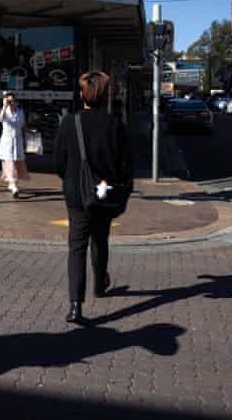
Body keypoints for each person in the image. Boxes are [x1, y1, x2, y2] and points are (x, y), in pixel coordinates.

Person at [54, 71, 133, 324]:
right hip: (104, 190)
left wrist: (70, 178)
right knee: (101, 239)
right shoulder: (115, 124)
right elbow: (125, 165)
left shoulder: (69, 123)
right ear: (104, 95)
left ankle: (75, 305)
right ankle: (100, 283)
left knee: (76, 246)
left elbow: (59, 162)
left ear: (83, 94)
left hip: (76, 193)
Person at [0, 91, 29, 198]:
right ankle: (14, 186)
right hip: (7, 142)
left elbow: (22, 125)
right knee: (10, 163)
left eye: (13, 100)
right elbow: (0, 119)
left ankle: (12, 184)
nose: (12, 102)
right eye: (9, 100)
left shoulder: (20, 112)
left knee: (16, 163)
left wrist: (29, 133)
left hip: (17, 140)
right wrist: (4, 106)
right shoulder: (4, 111)